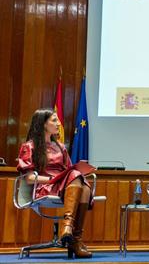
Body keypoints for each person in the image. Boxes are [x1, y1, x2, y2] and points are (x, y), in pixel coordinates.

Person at [17, 109, 93, 259]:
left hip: (65, 185)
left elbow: (71, 170)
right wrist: (55, 179)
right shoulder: (29, 147)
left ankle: (72, 235)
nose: (59, 123)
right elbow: (30, 178)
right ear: (43, 124)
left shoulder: (60, 147)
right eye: (54, 120)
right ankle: (72, 234)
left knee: (83, 186)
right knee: (79, 181)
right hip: (46, 187)